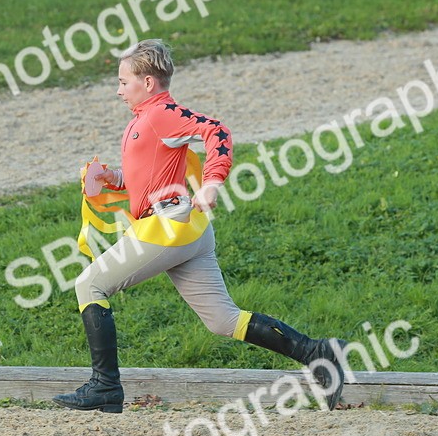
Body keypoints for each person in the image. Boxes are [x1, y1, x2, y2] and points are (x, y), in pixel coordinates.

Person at [53, 39, 344, 415]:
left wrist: (212, 182)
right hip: (185, 228)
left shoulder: (160, 115)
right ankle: (317, 352)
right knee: (224, 320)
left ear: (148, 82)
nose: (118, 89)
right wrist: (113, 177)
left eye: (124, 81)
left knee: (89, 284)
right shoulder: (145, 121)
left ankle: (106, 388)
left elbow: (217, 132)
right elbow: (149, 177)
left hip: (168, 227)